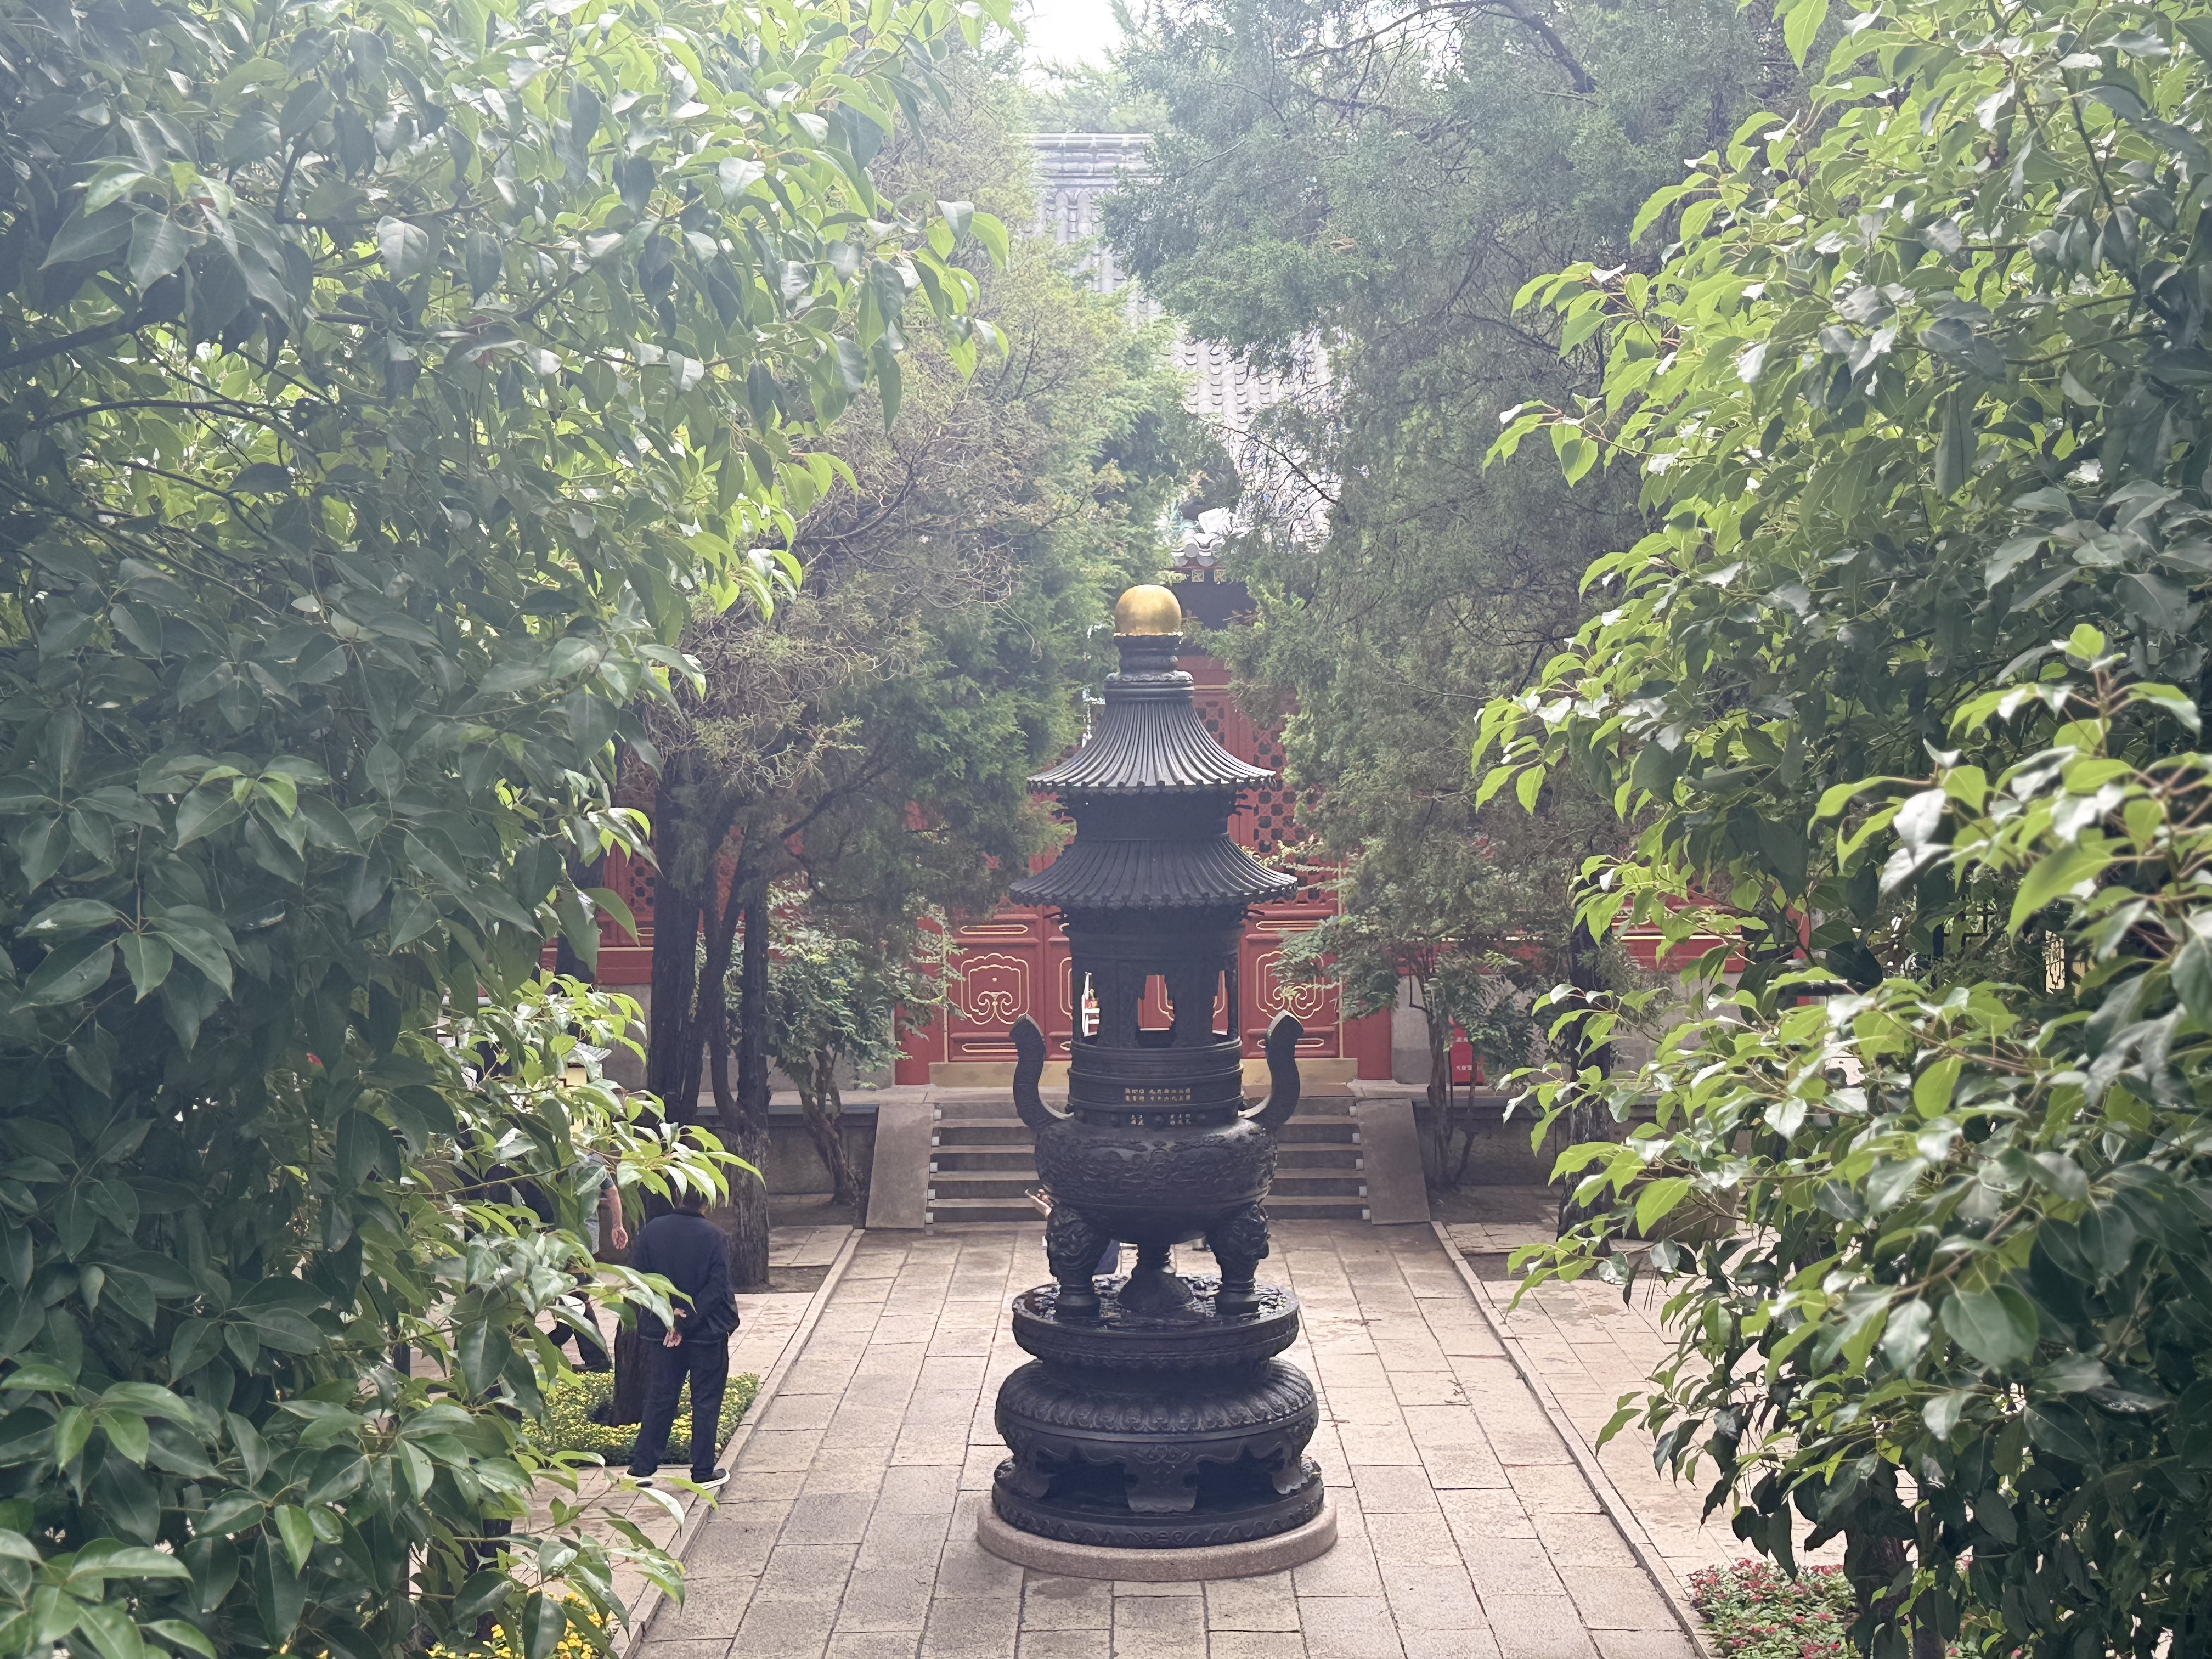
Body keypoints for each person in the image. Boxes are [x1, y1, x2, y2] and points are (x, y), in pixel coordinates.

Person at [627, 1187, 738, 1491]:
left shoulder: (652, 1231)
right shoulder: (715, 1236)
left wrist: (670, 1317)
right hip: (706, 1333)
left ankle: (643, 1467)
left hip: (662, 1331)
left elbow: (640, 1280)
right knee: (705, 1400)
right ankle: (703, 1470)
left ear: (675, 1195)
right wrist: (687, 1320)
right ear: (707, 1201)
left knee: (661, 1396)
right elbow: (718, 1287)